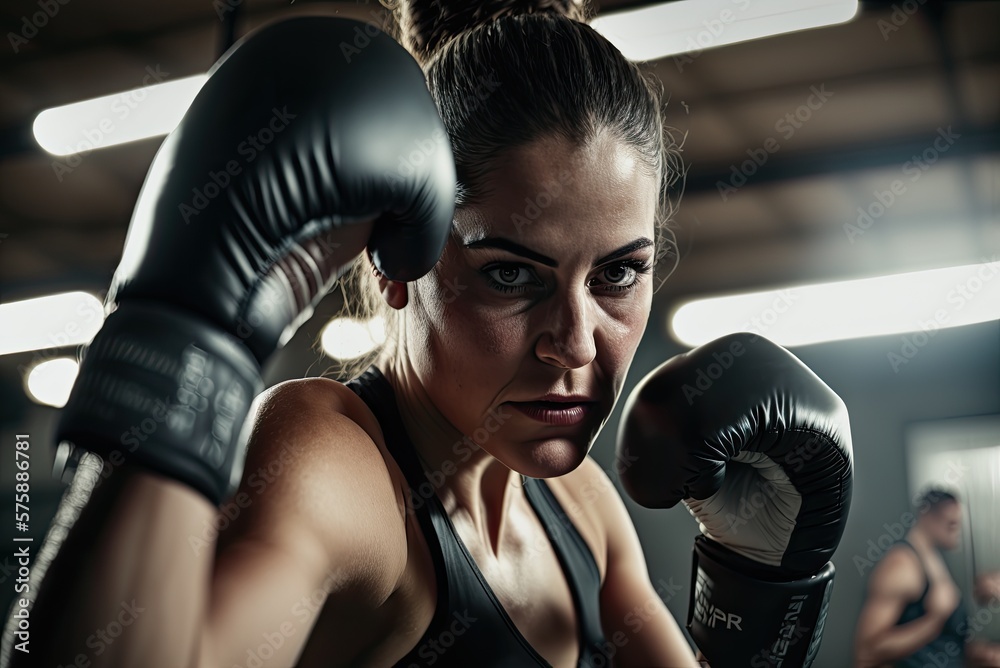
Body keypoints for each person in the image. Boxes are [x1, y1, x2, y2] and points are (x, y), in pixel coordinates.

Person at [1, 1, 851, 667]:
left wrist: (766, 585)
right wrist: (184, 327)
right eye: (512, 274)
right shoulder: (336, 471)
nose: (577, 344)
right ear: (395, 266)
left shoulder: (581, 505)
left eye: (617, 274)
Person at [852, 488, 1000, 667]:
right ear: (927, 517)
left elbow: (939, 644)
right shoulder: (901, 566)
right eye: (951, 524)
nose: (958, 532)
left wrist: (981, 654)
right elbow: (868, 651)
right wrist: (934, 619)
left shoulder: (932, 558)